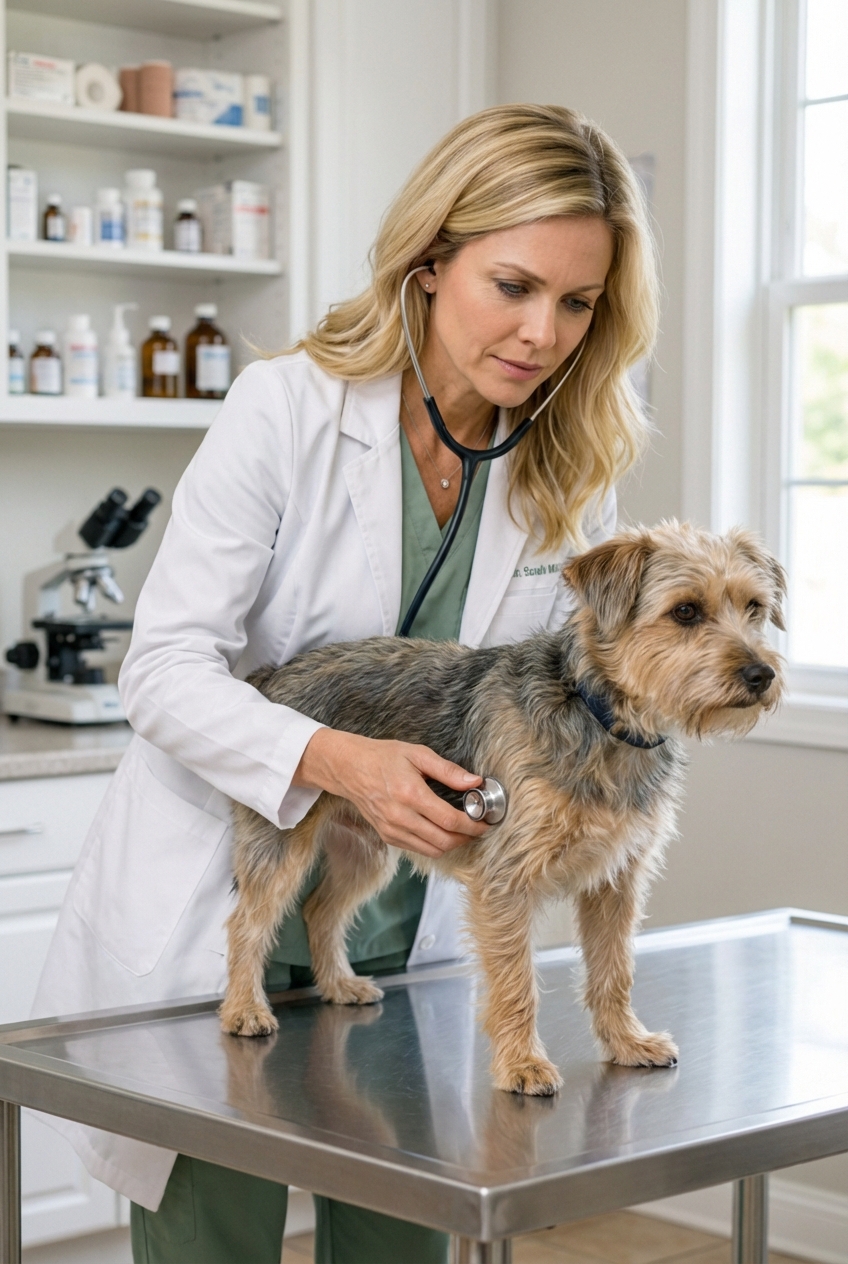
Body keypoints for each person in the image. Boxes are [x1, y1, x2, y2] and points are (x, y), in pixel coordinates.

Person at [33, 103, 658, 1263]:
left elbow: (564, 693)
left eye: (577, 303)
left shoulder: (569, 472)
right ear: (429, 265)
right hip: (221, 914)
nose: (541, 332)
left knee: (404, 1244)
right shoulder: (286, 407)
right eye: (511, 285)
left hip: (411, 935)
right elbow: (162, 670)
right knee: (211, 1244)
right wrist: (335, 760)